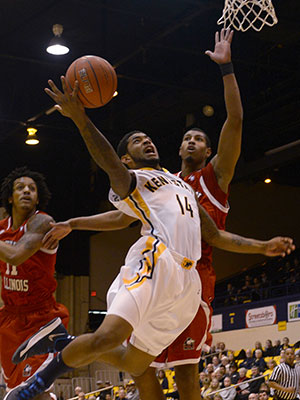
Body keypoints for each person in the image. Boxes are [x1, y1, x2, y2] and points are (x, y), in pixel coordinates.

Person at [6, 53, 295, 400]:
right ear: (127, 158)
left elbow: (215, 236)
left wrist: (262, 247)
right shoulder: (137, 179)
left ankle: (63, 343)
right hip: (156, 262)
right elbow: (116, 185)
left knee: (135, 363)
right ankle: (40, 380)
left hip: (188, 286)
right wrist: (81, 120)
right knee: (111, 341)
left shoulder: (182, 186)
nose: (146, 140)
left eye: (148, 137)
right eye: (136, 140)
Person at [0, 167, 69, 392]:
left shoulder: (42, 222)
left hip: (41, 318)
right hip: (9, 319)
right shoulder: (2, 229)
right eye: (20, 188)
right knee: (18, 391)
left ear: (39, 198)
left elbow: (16, 256)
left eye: (32, 189)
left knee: (32, 390)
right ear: (10, 197)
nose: (27, 191)